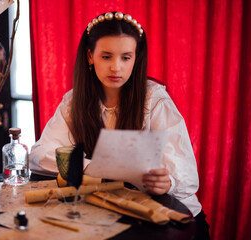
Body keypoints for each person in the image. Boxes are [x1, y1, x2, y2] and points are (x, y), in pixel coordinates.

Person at [29, 11, 210, 239]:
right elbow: (38, 156)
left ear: (136, 59)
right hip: (114, 214)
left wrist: (168, 182)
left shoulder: (154, 100)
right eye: (106, 56)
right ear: (89, 56)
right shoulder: (74, 102)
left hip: (174, 221)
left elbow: (187, 176)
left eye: (126, 57)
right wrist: (93, 168)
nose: (116, 67)